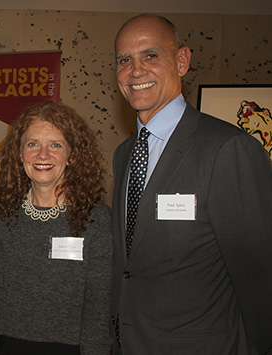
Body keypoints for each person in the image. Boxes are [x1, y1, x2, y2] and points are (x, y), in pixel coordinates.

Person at [111, 13, 272, 355]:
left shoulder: (228, 149)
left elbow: (259, 276)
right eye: (125, 60)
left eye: (150, 56)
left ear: (182, 61)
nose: (136, 71)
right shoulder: (124, 154)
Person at [0, 100, 112, 355]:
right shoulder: (3, 217)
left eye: (56, 145)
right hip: (9, 347)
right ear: (19, 153)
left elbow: (98, 308)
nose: (43, 155)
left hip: (70, 350)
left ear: (72, 155)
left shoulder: (95, 219)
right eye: (33, 144)